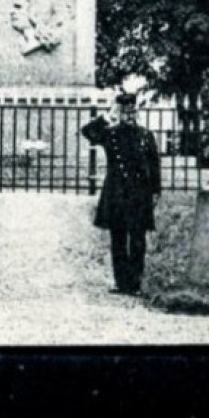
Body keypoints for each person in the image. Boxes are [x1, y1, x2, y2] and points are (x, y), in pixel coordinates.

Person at [81, 91, 162, 295]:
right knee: (117, 238)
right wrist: (107, 116)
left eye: (132, 112)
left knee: (137, 239)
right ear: (120, 112)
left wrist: (155, 191)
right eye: (125, 112)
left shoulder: (145, 135)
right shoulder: (111, 134)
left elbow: (154, 165)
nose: (129, 116)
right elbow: (87, 132)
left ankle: (135, 283)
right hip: (116, 192)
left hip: (139, 193)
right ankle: (121, 282)